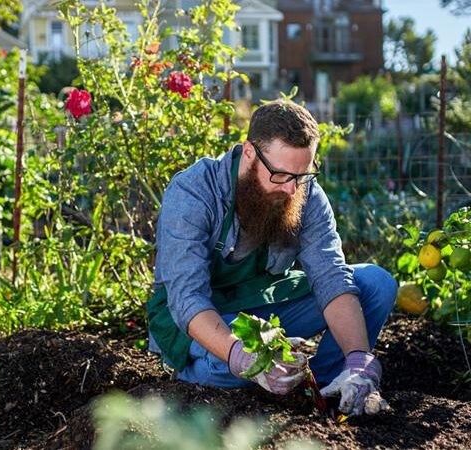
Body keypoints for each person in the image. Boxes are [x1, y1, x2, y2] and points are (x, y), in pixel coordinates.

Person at [147, 100, 397, 416]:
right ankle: (196, 376)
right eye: (280, 175)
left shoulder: (304, 192)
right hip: (199, 317)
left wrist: (359, 358)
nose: (292, 189)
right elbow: (187, 298)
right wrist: (241, 355)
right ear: (249, 152)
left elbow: (330, 275)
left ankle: (331, 388)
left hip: (263, 305)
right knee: (234, 369)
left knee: (376, 283)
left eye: (302, 175)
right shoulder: (194, 192)